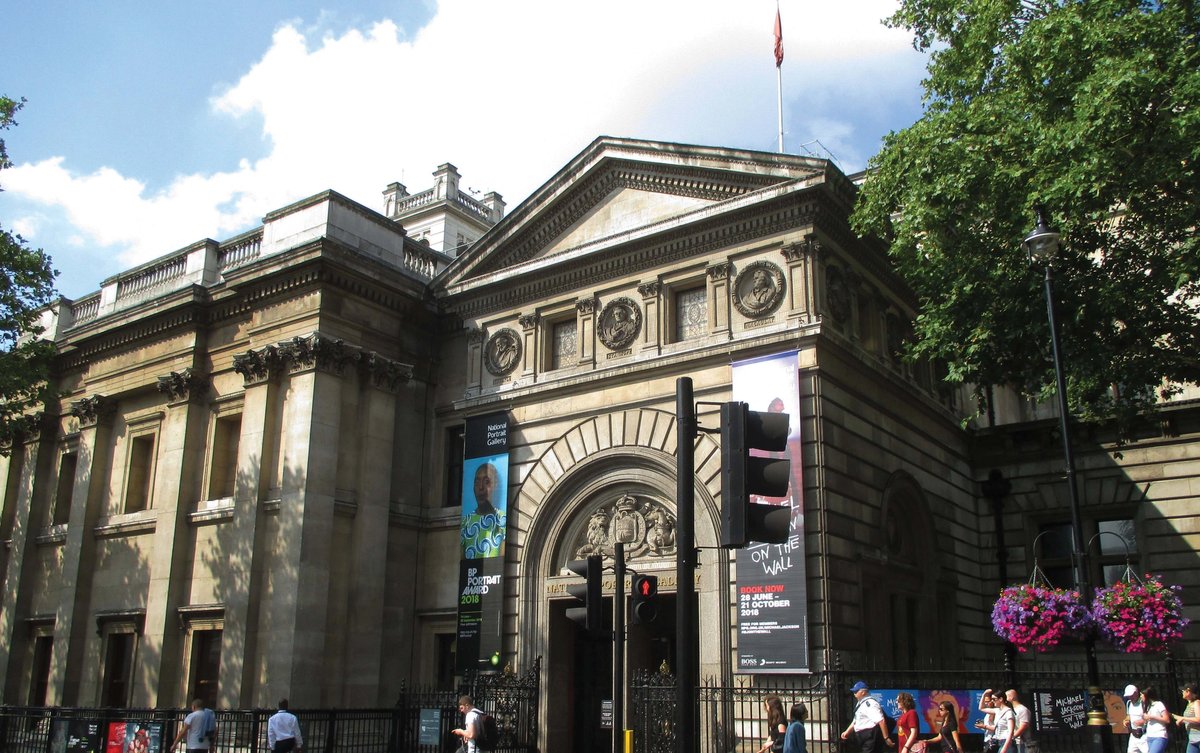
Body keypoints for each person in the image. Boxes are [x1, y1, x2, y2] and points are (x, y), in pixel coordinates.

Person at [461, 462, 506, 558]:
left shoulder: (502, 519)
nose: (481, 487)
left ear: (495, 485)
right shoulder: (465, 522)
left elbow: (501, 558)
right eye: (477, 483)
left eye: (487, 482)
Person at [841, 681, 893, 753]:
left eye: (856, 691)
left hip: (870, 736)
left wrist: (886, 738)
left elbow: (881, 720)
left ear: (863, 692)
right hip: (863, 737)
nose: (854, 694)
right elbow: (856, 720)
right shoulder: (860, 703)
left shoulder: (870, 704)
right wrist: (847, 731)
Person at [1172, 682, 1200, 753]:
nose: (1182, 692)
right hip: (1192, 740)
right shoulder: (1189, 704)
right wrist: (1171, 715)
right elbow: (1189, 720)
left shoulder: (1197, 702)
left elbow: (1198, 719)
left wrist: (1183, 718)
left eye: (1183, 690)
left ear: (1188, 691)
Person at [1141, 686, 1170, 753]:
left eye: (1142, 695)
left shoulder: (1159, 704)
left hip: (1159, 735)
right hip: (1150, 736)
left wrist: (1152, 717)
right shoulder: (1148, 707)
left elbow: (1167, 719)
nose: (1141, 697)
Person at [1006, 688, 1034, 753]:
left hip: (1021, 742)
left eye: (1006, 696)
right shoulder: (1010, 710)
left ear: (1012, 697)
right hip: (1014, 742)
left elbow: (1023, 726)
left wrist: (1012, 737)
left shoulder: (1022, 710)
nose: (1005, 699)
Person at [1125, 684, 1149, 753]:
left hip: (1143, 734)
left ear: (1136, 693)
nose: (1130, 697)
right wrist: (1126, 720)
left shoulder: (1143, 703)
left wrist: (1142, 721)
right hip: (1133, 734)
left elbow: (1149, 716)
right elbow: (1128, 716)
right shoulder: (1129, 703)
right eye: (1129, 696)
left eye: (1132, 695)